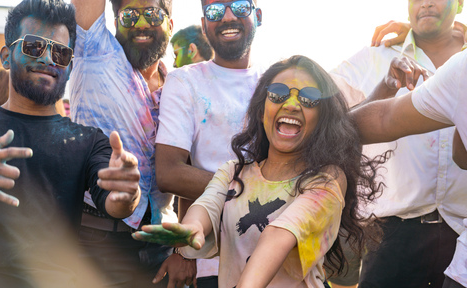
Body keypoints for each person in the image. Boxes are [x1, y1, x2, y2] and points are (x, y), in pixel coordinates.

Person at [134, 55, 384, 288]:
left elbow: (278, 235)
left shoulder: (325, 180)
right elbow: (208, 205)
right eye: (277, 94)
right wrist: (192, 227)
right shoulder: (233, 172)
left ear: (323, 117)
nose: (292, 104)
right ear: (261, 109)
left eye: (309, 98)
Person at [0, 0, 142, 287]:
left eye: (61, 52)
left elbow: (116, 202)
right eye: (34, 47)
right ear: (6, 56)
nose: (49, 59)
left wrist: (127, 194)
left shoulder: (88, 141)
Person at [327, 0, 467, 287]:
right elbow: (327, 115)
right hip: (392, 235)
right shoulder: (374, 57)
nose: (426, 3)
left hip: (461, 231)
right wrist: (386, 87)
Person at [69, 0, 193, 286]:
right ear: (114, 24)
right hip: (96, 241)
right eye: (129, 15)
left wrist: (182, 251)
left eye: (152, 14)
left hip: (161, 245)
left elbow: (188, 171)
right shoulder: (95, 51)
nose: (140, 23)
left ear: (170, 25)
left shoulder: (182, 89)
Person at [155, 0, 263, 286]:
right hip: (213, 263)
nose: (228, 16)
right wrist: (257, 191)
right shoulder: (184, 82)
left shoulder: (277, 85)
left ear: (258, 16)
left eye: (240, 6)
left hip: (281, 257)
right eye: (215, 10)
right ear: (204, 25)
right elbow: (171, 173)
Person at [349, 48, 467, 288]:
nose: (425, 7)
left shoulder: (461, 64)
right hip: (396, 231)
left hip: (456, 235)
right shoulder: (460, 68)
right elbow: (461, 156)